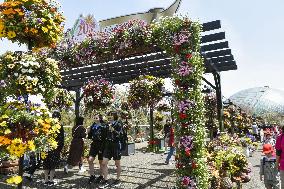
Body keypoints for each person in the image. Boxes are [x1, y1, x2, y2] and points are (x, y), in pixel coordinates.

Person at [100, 112, 126, 188]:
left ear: (115, 116)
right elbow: (103, 135)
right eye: (109, 115)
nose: (109, 116)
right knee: (104, 163)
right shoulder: (106, 124)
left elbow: (120, 135)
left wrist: (113, 130)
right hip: (108, 145)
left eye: (111, 115)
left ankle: (118, 179)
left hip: (116, 145)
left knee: (117, 164)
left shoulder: (118, 124)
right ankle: (105, 180)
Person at [42, 110, 65, 186]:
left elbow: (43, 136)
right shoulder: (59, 126)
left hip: (46, 147)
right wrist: (59, 148)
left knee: (46, 163)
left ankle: (46, 180)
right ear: (59, 117)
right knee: (52, 164)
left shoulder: (47, 124)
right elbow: (61, 139)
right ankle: (51, 180)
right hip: (54, 147)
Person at [87, 114, 107, 184]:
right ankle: (92, 175)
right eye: (94, 117)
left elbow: (105, 137)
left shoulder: (104, 125)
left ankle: (101, 176)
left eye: (96, 118)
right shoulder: (93, 126)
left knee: (101, 161)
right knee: (90, 159)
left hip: (101, 144)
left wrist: (103, 147)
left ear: (100, 118)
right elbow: (89, 137)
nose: (95, 119)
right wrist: (88, 131)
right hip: (94, 144)